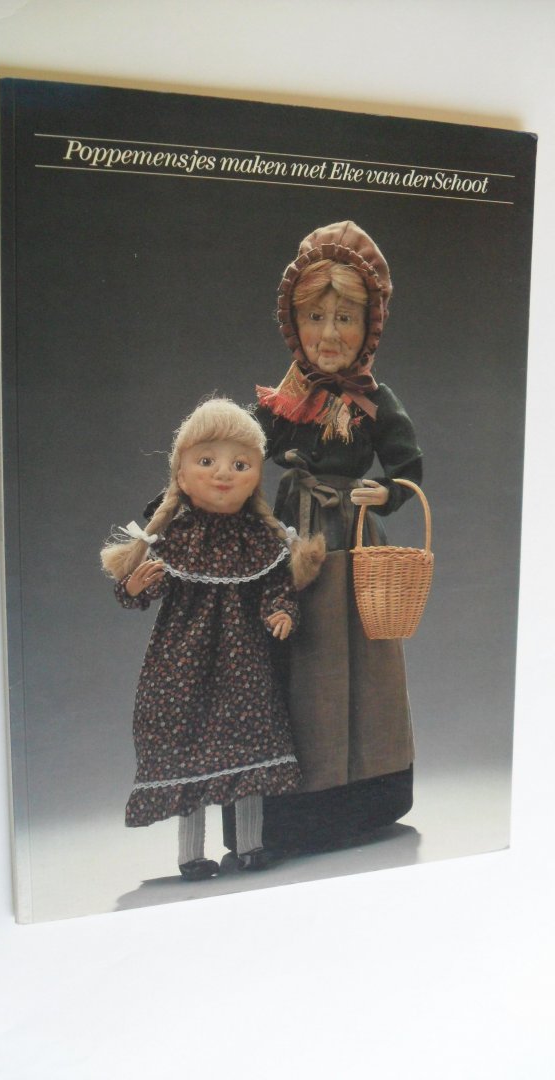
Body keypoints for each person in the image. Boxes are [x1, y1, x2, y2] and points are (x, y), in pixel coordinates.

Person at [251, 219, 423, 854]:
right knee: (299, 660)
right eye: (315, 317)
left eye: (345, 319)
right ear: (293, 323)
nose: (329, 335)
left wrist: (387, 491)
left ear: (369, 326)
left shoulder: (374, 399)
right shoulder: (286, 399)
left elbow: (408, 467)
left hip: (352, 540)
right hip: (291, 539)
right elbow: (243, 449)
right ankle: (295, 803)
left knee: (362, 666)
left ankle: (370, 789)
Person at [100, 399, 324, 880]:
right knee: (187, 741)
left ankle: (250, 846)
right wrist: (135, 587)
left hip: (245, 665)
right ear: (181, 476)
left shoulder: (258, 539)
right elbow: (139, 590)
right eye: (207, 461)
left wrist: (281, 611)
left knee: (251, 742)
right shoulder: (177, 537)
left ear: (256, 477)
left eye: (240, 465)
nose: (223, 473)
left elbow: (277, 585)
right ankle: (191, 855)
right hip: (182, 663)